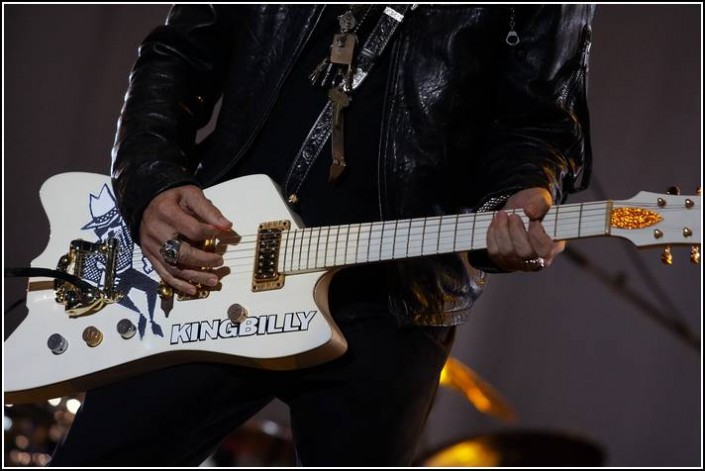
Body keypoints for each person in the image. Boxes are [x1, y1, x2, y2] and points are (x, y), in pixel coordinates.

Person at [50, 4, 595, 466]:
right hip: (220, 259)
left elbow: (540, 124)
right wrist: (152, 184)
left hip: (393, 298)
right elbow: (179, 52)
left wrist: (522, 195)